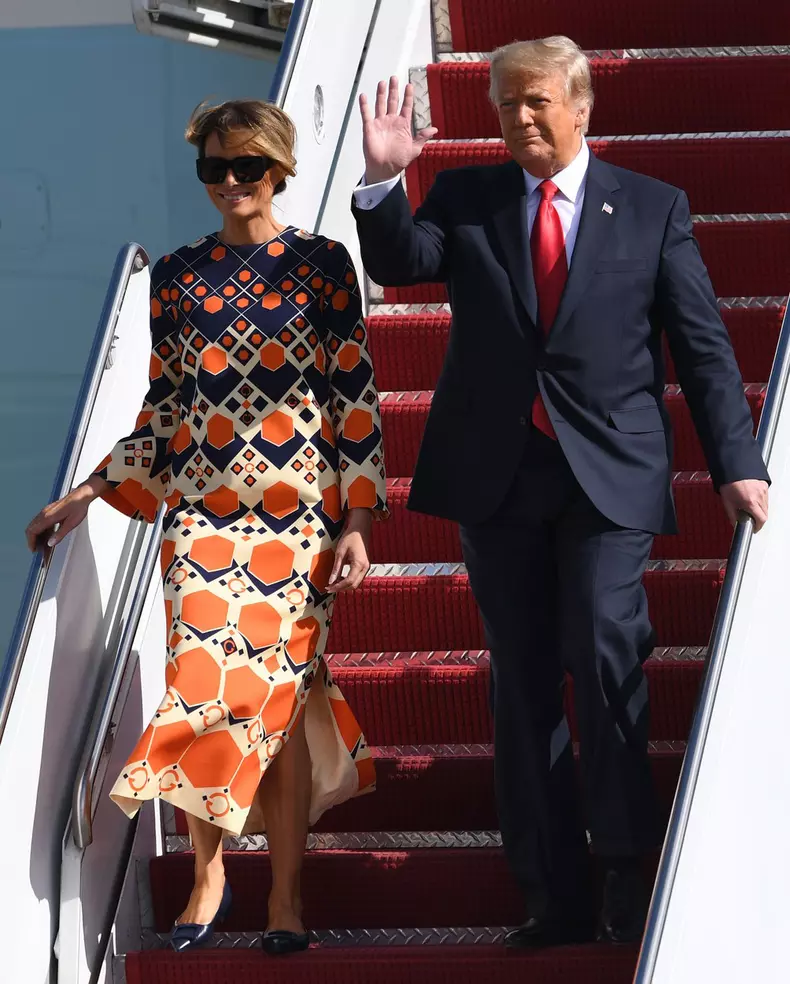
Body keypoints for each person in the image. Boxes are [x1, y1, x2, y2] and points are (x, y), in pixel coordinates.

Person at [352, 37, 769, 947]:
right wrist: (383, 186)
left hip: (608, 473)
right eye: (504, 105)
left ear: (583, 107)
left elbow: (701, 346)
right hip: (497, 476)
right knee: (523, 680)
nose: (520, 119)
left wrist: (737, 463)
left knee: (604, 642)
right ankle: (552, 894)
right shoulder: (469, 197)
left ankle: (625, 868)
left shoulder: (652, 208)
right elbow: (402, 265)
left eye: (537, 101)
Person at [26, 99, 387, 956]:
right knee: (201, 684)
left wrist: (359, 522)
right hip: (201, 518)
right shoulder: (179, 275)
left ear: (279, 170)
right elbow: (163, 409)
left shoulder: (321, 265)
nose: (229, 184)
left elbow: (354, 401)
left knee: (280, 701)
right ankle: (210, 872)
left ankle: (288, 900)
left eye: (246, 169)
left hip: (299, 518)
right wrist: (87, 490)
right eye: (213, 170)